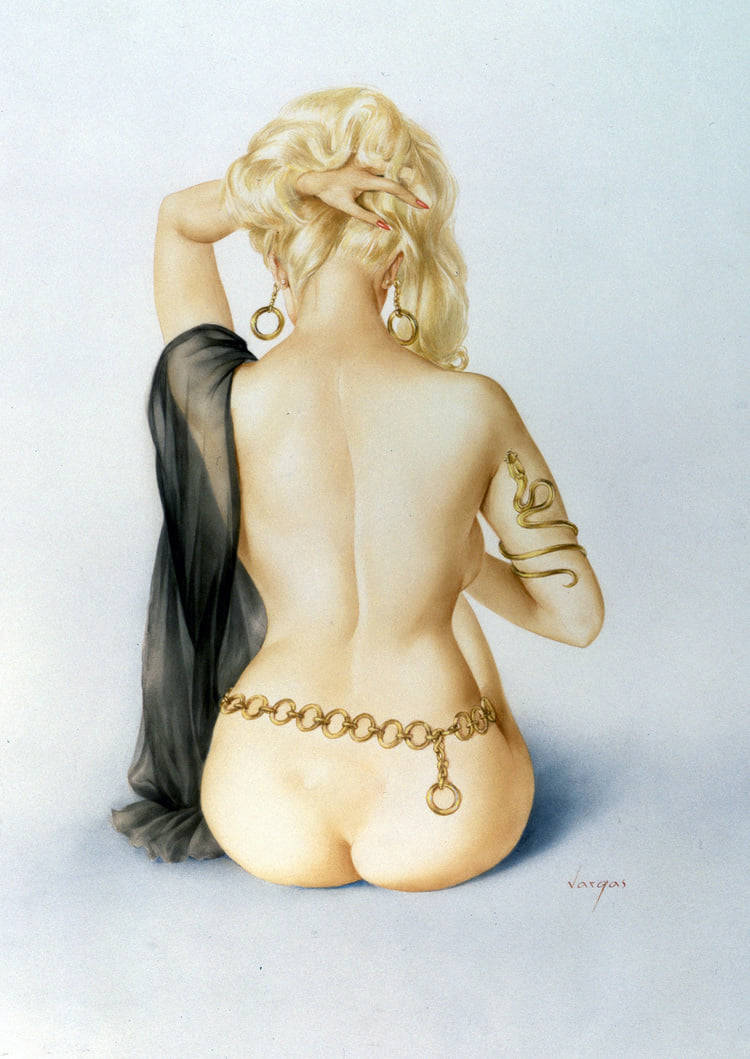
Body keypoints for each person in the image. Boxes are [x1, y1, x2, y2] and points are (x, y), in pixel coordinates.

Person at [111, 86, 604, 891]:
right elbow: (575, 618)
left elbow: (179, 220)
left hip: (263, 790)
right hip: (444, 793)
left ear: (274, 262)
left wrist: (295, 184)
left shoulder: (220, 401)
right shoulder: (475, 406)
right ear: (400, 261)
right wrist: (464, 564)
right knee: (458, 627)